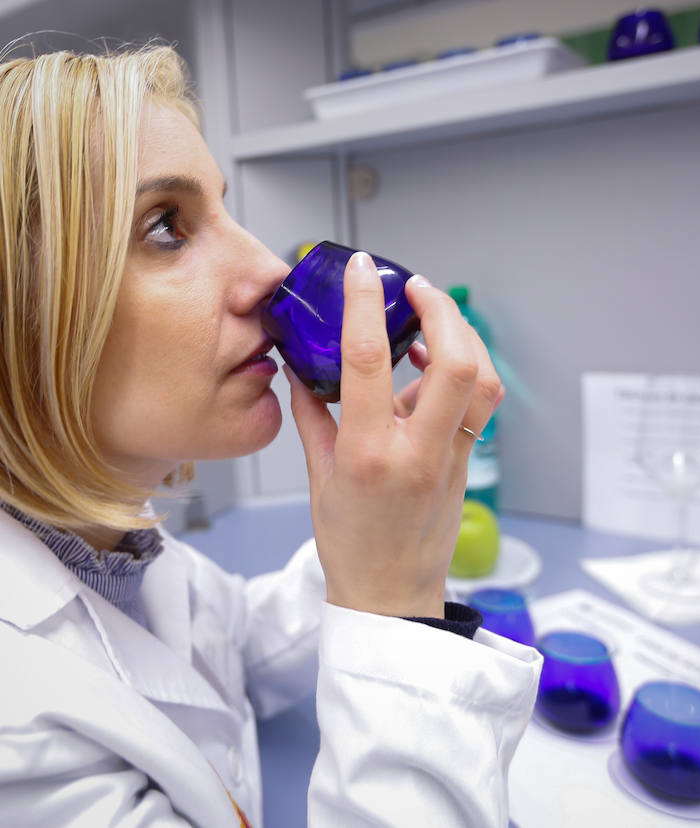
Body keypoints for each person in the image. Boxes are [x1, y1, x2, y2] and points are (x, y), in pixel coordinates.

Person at [0, 44, 542, 826]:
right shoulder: (17, 744)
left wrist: (382, 536)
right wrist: (395, 609)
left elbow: (238, 641)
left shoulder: (111, 543)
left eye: (223, 210)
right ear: (21, 321)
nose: (265, 269)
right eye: (166, 227)